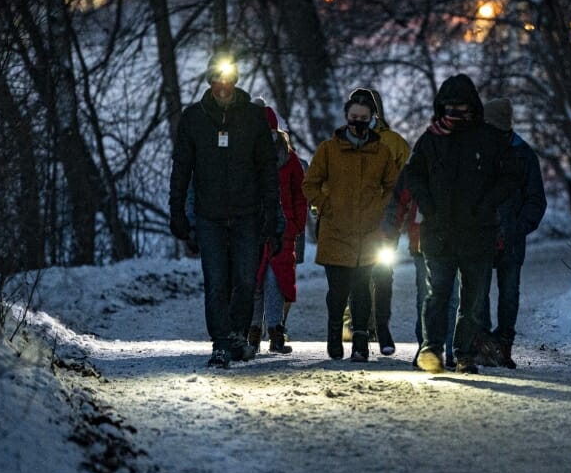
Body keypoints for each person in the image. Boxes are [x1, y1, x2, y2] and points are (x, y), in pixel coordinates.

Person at [169, 51, 280, 368]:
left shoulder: (253, 118)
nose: (223, 86)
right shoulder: (194, 119)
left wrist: (271, 213)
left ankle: (235, 336)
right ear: (210, 81)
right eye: (217, 79)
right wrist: (177, 212)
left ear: (234, 81)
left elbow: (267, 168)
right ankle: (220, 342)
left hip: (247, 213)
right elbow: (181, 169)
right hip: (209, 215)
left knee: (245, 281)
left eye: (228, 79)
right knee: (216, 282)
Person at [404, 73, 519, 374]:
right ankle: (431, 349)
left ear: (472, 107)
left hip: (477, 234)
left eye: (460, 108)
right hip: (439, 233)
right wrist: (428, 206)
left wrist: (487, 204)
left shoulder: (489, 139)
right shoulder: (431, 139)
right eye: (448, 108)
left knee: (472, 300)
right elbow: (412, 175)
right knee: (437, 294)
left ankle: (464, 354)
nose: (453, 115)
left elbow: (511, 177)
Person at [302, 89, 399, 362]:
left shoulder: (381, 152)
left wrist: (379, 210)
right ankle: (334, 335)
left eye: (363, 117)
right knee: (337, 291)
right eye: (354, 117)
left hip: (368, 232)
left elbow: (393, 186)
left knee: (361, 289)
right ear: (346, 117)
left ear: (371, 119)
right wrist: (326, 205)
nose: (358, 122)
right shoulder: (329, 150)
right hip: (336, 231)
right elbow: (309, 183)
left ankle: (360, 342)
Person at [475, 98, 546, 370]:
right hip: (481, 235)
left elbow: (535, 200)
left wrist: (517, 227)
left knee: (509, 294)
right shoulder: (479, 153)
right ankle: (484, 343)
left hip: (511, 237)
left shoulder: (524, 155)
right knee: (478, 292)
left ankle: (503, 344)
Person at [341, 89, 412, 356]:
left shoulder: (394, 143)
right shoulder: (341, 141)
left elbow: (407, 181)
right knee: (357, 275)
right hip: (352, 222)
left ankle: (381, 325)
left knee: (383, 274)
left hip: (384, 221)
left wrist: (403, 217)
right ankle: (360, 330)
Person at [383, 170, 460, 367]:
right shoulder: (420, 165)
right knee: (437, 297)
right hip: (426, 240)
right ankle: (433, 348)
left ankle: (443, 349)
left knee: (438, 297)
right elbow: (400, 202)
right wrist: (391, 233)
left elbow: (400, 203)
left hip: (445, 240)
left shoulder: (456, 157)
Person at [248, 101, 307, 355]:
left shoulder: (289, 159)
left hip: (284, 231)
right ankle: (252, 330)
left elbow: (299, 195)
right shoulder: (247, 157)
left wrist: (296, 224)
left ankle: (275, 330)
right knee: (254, 282)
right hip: (254, 229)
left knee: (276, 282)